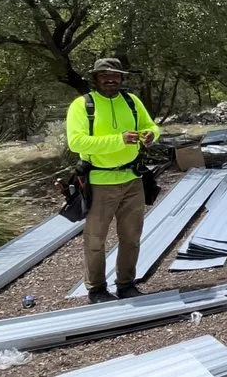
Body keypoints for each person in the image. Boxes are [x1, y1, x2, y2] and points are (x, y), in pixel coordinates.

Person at [66, 58, 160, 303]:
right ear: (96, 79)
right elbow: (76, 142)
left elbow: (151, 126)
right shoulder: (83, 105)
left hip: (132, 179)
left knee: (131, 236)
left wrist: (151, 135)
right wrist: (119, 140)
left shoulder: (132, 101)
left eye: (115, 75)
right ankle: (96, 289)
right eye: (104, 76)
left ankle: (126, 285)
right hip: (99, 182)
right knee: (95, 239)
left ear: (121, 78)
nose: (110, 80)